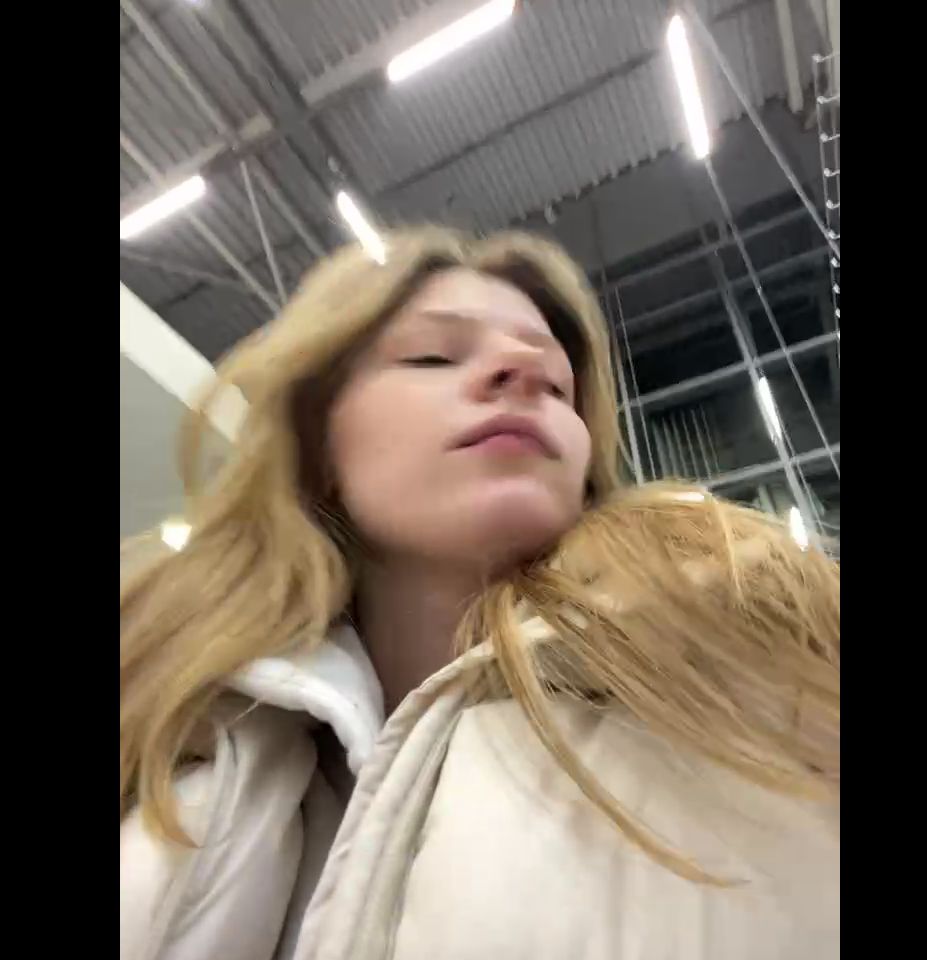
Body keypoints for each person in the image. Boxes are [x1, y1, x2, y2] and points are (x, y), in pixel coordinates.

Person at [120, 227, 839, 960]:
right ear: (319, 444)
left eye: (556, 385)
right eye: (432, 356)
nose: (521, 370)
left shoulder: (752, 652)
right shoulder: (178, 741)